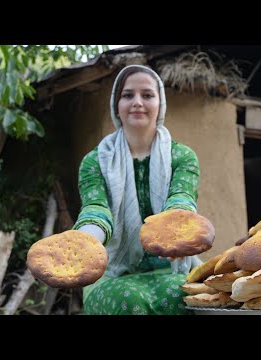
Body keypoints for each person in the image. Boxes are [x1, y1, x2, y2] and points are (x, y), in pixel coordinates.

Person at [72, 64, 201, 315]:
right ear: (116, 105)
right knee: (128, 302)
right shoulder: (94, 161)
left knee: (184, 296)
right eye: (128, 95)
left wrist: (177, 235)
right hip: (112, 270)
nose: (137, 102)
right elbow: (95, 210)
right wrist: (84, 242)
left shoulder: (182, 156)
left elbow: (181, 200)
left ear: (160, 104)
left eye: (148, 95)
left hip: (173, 268)